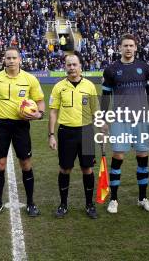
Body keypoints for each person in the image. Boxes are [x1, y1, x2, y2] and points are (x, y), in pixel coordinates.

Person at [0, 46, 45, 218]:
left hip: (21, 125)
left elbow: (40, 102)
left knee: (25, 163)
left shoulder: (29, 79)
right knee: (0, 164)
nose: (11, 61)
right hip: (1, 125)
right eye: (8, 58)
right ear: (4, 60)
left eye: (14, 58)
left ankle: (31, 203)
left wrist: (39, 115)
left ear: (20, 60)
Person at [101, 33, 149, 214]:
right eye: (125, 45)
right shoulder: (111, 70)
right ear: (119, 48)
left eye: (131, 45)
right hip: (120, 120)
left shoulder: (144, 67)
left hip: (141, 119)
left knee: (143, 157)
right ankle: (114, 200)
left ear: (135, 47)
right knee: (118, 157)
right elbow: (105, 97)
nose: (128, 48)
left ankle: (142, 198)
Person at [48, 53, 99, 219]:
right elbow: (53, 112)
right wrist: (51, 134)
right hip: (66, 132)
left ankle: (89, 205)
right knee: (65, 168)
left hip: (86, 131)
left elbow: (95, 111)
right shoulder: (58, 87)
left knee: (87, 168)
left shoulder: (90, 86)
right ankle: (63, 204)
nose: (71, 68)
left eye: (74, 64)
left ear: (80, 66)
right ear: (65, 67)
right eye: (68, 65)